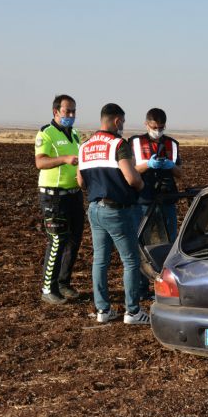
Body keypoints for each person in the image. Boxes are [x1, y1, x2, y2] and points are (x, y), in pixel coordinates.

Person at [77, 103, 149, 324]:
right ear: (117, 121)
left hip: (94, 209)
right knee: (130, 261)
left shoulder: (85, 145)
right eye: (123, 122)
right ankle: (133, 312)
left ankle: (102, 310)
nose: (123, 126)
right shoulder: (119, 144)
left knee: (100, 260)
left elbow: (79, 181)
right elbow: (132, 178)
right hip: (117, 211)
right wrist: (139, 185)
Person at [35, 94, 84, 305]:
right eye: (67, 111)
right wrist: (64, 159)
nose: (71, 115)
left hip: (74, 195)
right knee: (57, 241)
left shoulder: (75, 134)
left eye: (73, 111)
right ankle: (48, 288)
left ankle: (63, 283)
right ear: (56, 112)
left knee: (74, 240)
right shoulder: (46, 133)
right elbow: (40, 162)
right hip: (53, 196)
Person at [130, 108, 183, 298]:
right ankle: (141, 288)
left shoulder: (172, 144)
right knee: (141, 243)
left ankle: (165, 286)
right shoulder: (135, 143)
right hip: (143, 199)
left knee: (168, 243)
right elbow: (130, 170)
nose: (157, 131)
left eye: (161, 127)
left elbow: (180, 173)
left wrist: (170, 165)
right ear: (146, 124)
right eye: (154, 127)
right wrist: (148, 165)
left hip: (167, 198)